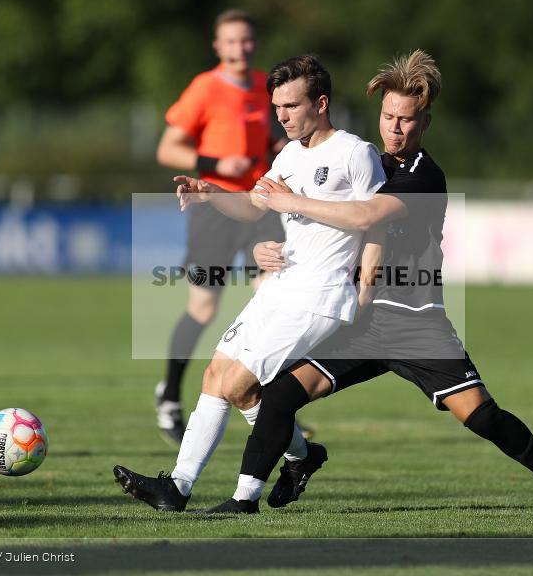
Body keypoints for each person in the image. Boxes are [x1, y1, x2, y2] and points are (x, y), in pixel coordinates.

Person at [198, 50, 533, 514]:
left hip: (417, 323)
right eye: (388, 116)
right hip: (361, 319)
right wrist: (264, 243)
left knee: (482, 416)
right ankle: (251, 495)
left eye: (407, 119)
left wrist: (291, 200)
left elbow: (364, 214)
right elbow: (308, 220)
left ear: (425, 122)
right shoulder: (363, 158)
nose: (395, 127)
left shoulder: (424, 176)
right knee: (279, 397)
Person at [114, 55, 387, 510]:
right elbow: (254, 206)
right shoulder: (289, 154)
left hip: (320, 297)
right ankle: (179, 486)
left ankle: (253, 491)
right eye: (277, 106)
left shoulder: (355, 153)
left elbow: (374, 223)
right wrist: (212, 193)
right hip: (282, 286)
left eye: (291, 106)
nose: (281, 115)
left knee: (241, 384)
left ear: (321, 103)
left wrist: (366, 290)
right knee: (215, 375)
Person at [153, 9, 286, 445]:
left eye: (246, 40)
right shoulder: (204, 88)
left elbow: (275, 141)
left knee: (271, 298)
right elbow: (167, 150)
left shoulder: (267, 88)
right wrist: (213, 164)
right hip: (213, 208)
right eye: (231, 41)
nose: (240, 48)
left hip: (259, 206)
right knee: (203, 309)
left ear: (254, 42)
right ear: (218, 46)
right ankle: (170, 394)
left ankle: (271, 404)